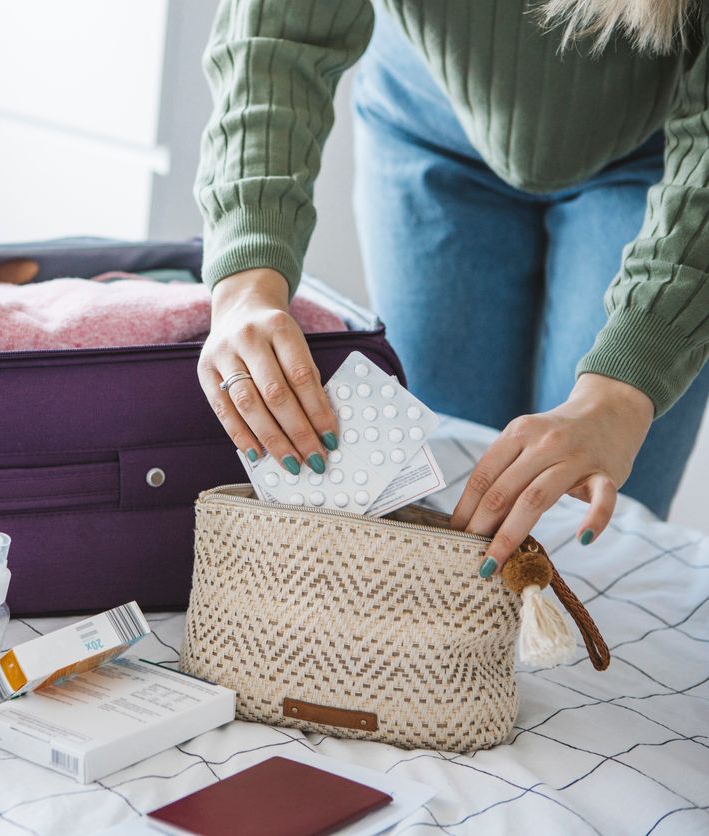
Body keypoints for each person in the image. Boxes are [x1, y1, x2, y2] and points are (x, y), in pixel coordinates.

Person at [195, 0, 709, 577]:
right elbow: (277, 35)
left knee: (587, 543)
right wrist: (245, 280)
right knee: (440, 514)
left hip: (664, 161)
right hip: (424, 122)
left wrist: (619, 394)